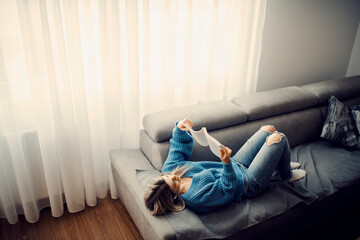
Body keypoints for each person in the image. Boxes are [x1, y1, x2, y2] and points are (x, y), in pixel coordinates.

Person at [144, 118, 306, 215]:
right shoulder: (197, 199)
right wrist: (226, 163)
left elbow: (178, 147)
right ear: (173, 197)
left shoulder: (170, 171)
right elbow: (227, 188)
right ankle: (286, 175)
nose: (174, 176)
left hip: (236, 164)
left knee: (268, 129)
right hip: (247, 183)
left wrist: (180, 127)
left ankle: (278, 163)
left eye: (167, 176)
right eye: (175, 183)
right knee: (279, 138)